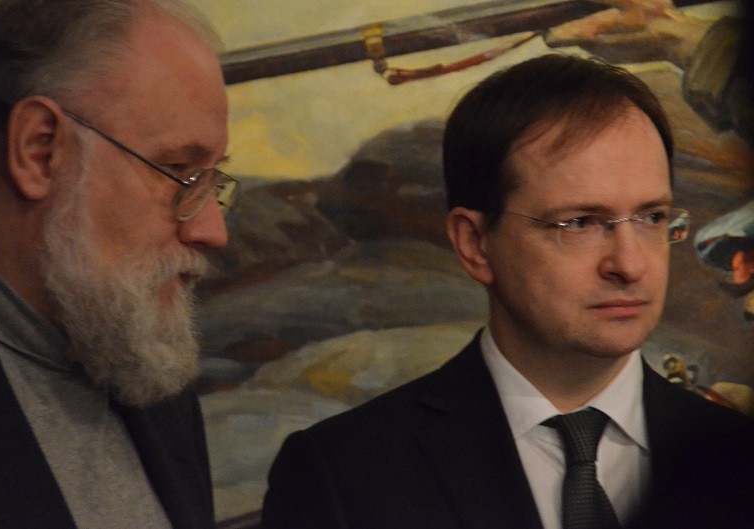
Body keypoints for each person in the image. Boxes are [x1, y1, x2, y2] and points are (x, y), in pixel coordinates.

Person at [261, 54, 754, 529]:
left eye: (652, 217)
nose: (630, 264)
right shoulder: (342, 476)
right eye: (579, 223)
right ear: (475, 244)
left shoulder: (737, 456)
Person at [0, 0, 236, 527]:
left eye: (211, 182)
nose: (211, 230)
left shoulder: (138, 359)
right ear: (39, 150)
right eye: (179, 171)